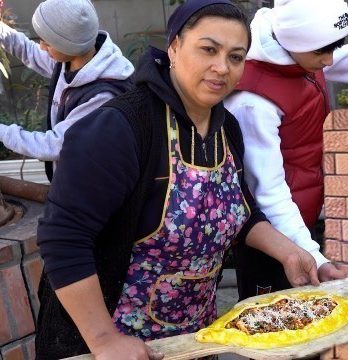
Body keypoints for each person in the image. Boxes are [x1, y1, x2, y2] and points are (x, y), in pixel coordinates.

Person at [34, 1, 322, 359]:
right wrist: (104, 340)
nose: (222, 68)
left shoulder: (226, 128)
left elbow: (237, 211)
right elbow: (63, 239)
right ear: (173, 46)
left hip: (194, 340)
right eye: (208, 49)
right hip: (111, 344)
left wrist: (292, 252)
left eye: (236, 57)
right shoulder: (120, 128)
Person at [225, 0, 348, 300]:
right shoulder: (253, 102)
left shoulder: (303, 51)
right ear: (295, 42)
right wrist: (314, 257)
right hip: (271, 238)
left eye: (334, 47)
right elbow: (268, 192)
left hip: (302, 218)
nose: (329, 60)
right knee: (278, 326)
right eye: (323, 51)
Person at [0, 0, 133, 181]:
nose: (41, 47)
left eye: (48, 43)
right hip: (71, 173)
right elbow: (27, 50)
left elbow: (53, 144)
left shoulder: (101, 96)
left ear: (69, 45)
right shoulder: (69, 60)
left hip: (90, 184)